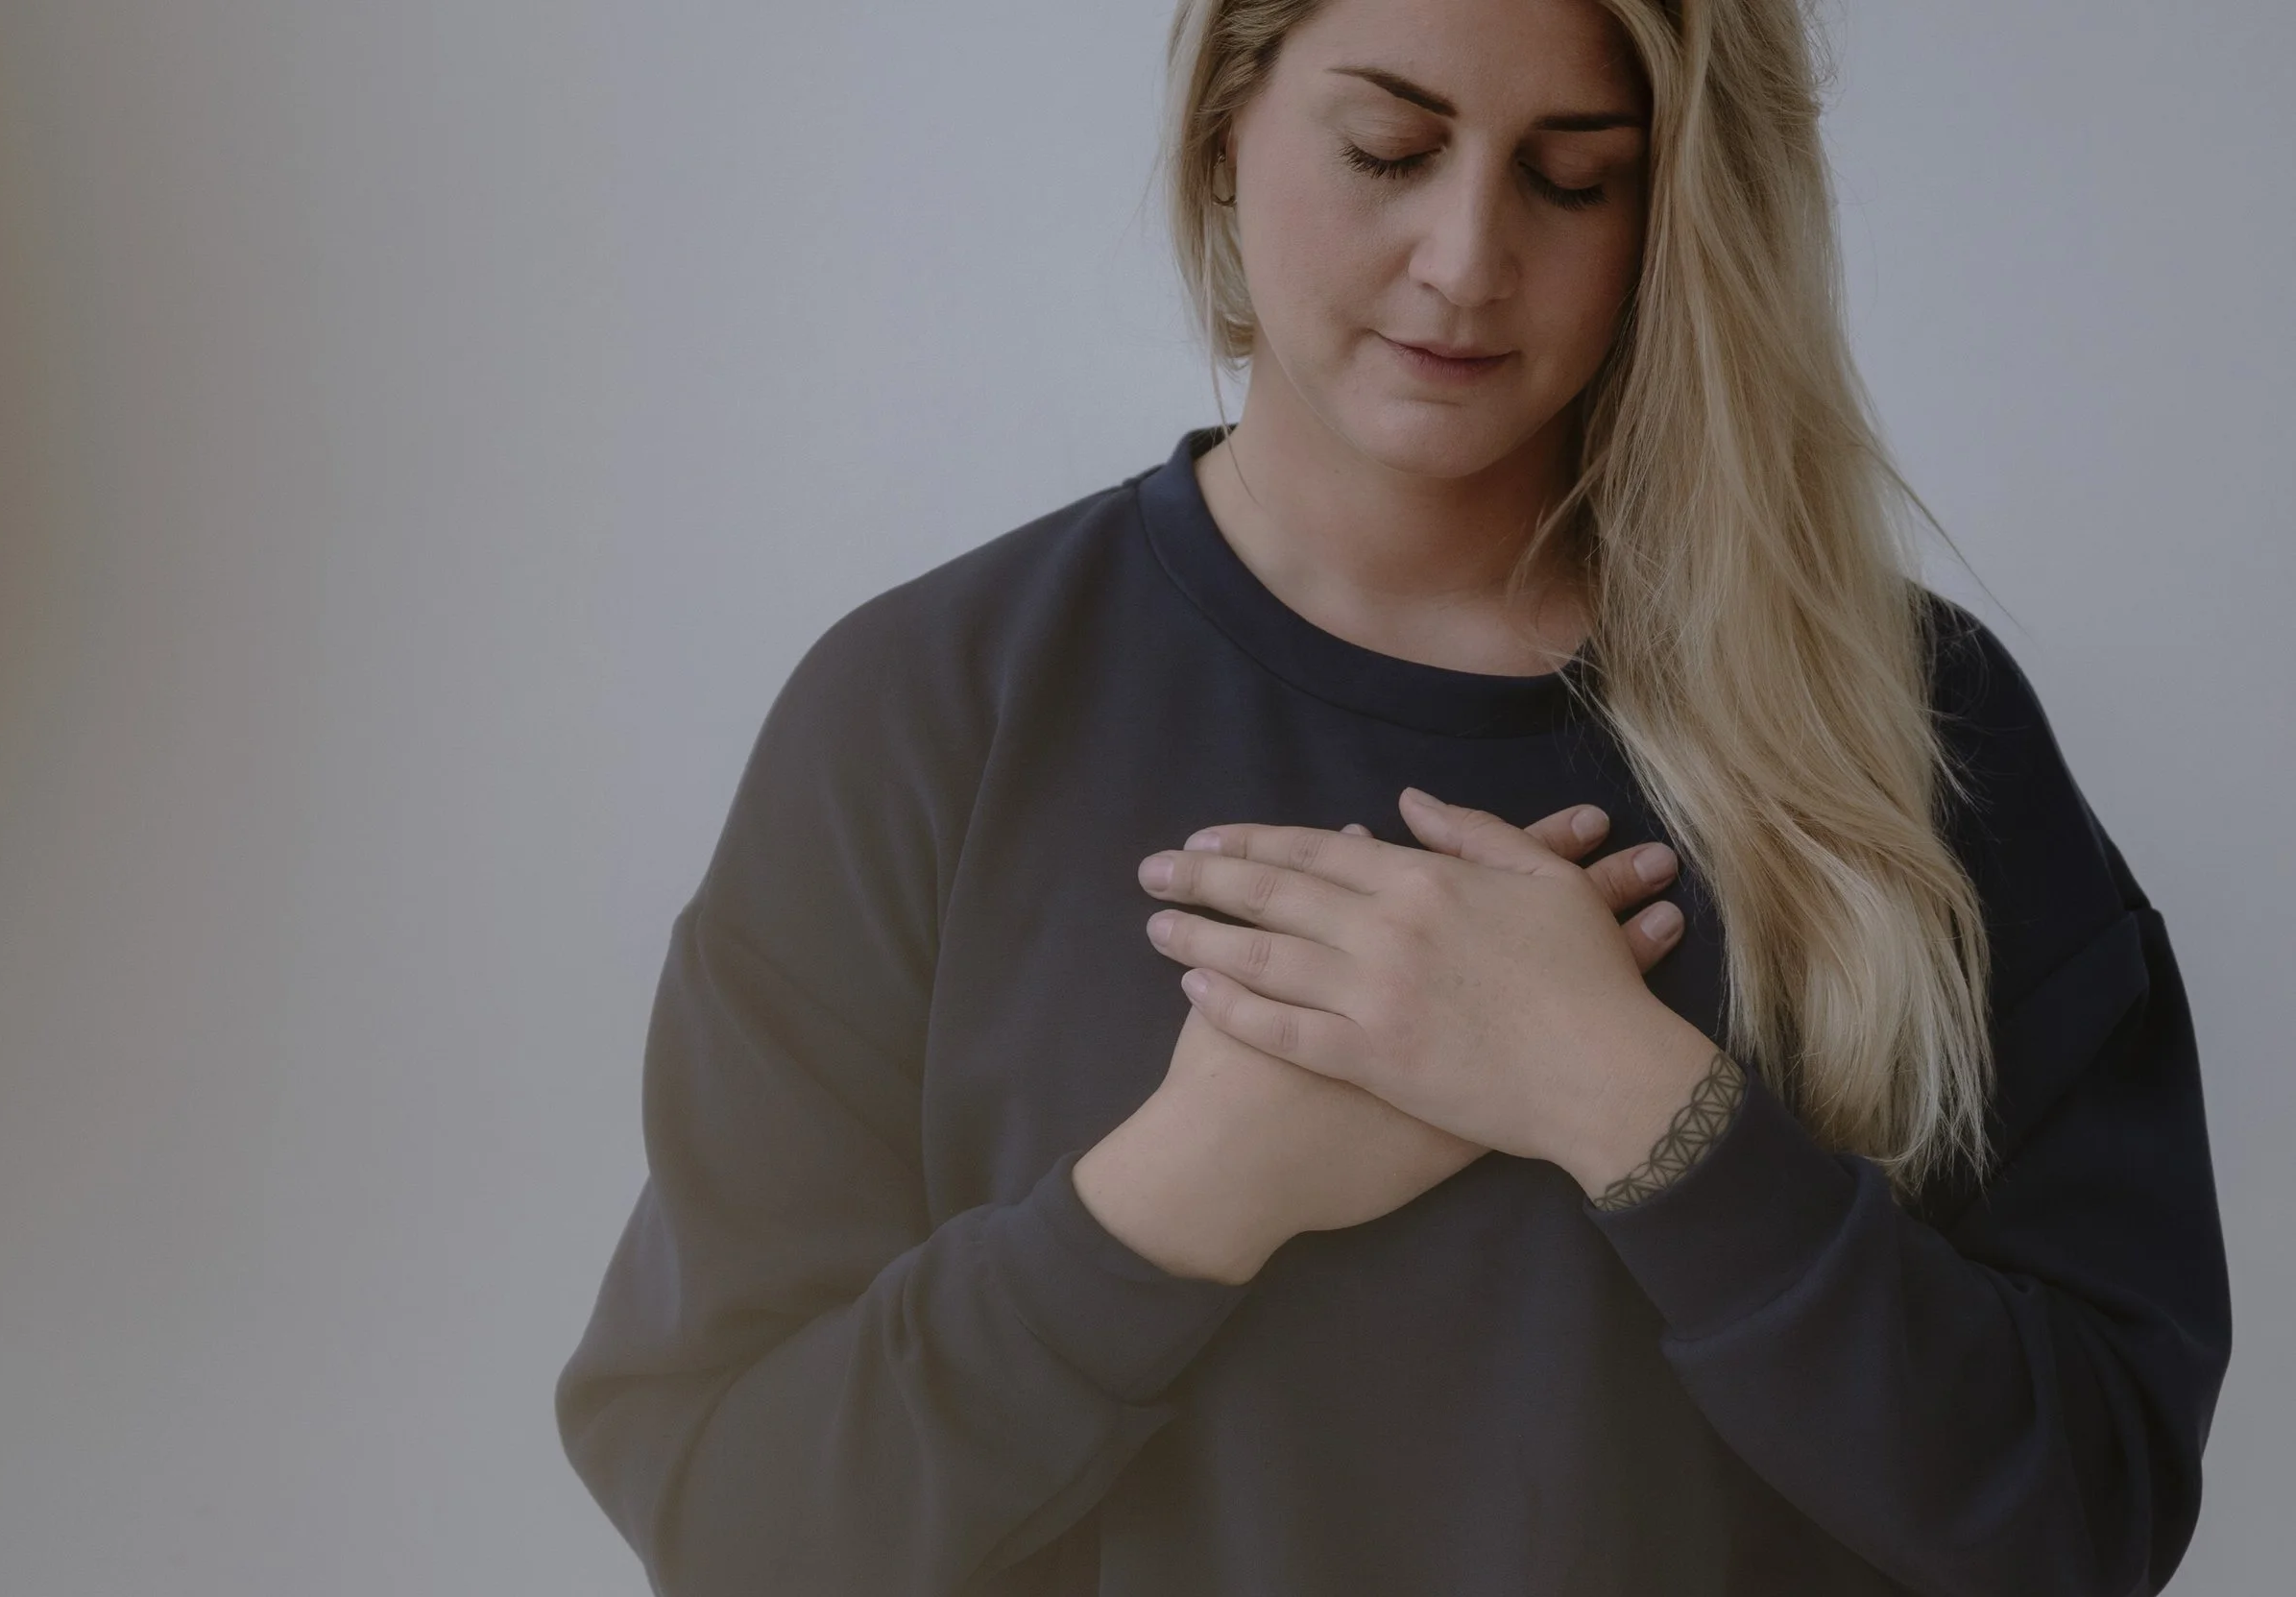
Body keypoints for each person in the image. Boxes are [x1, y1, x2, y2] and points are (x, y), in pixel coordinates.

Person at [553, 0, 2231, 1591]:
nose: (1465, 260)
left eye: (1573, 177)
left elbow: (2086, 1518)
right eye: (1388, 150)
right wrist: (1196, 1184)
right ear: (1225, 131)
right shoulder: (930, 713)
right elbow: (734, 1518)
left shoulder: (1908, 730)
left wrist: (1629, 1101)